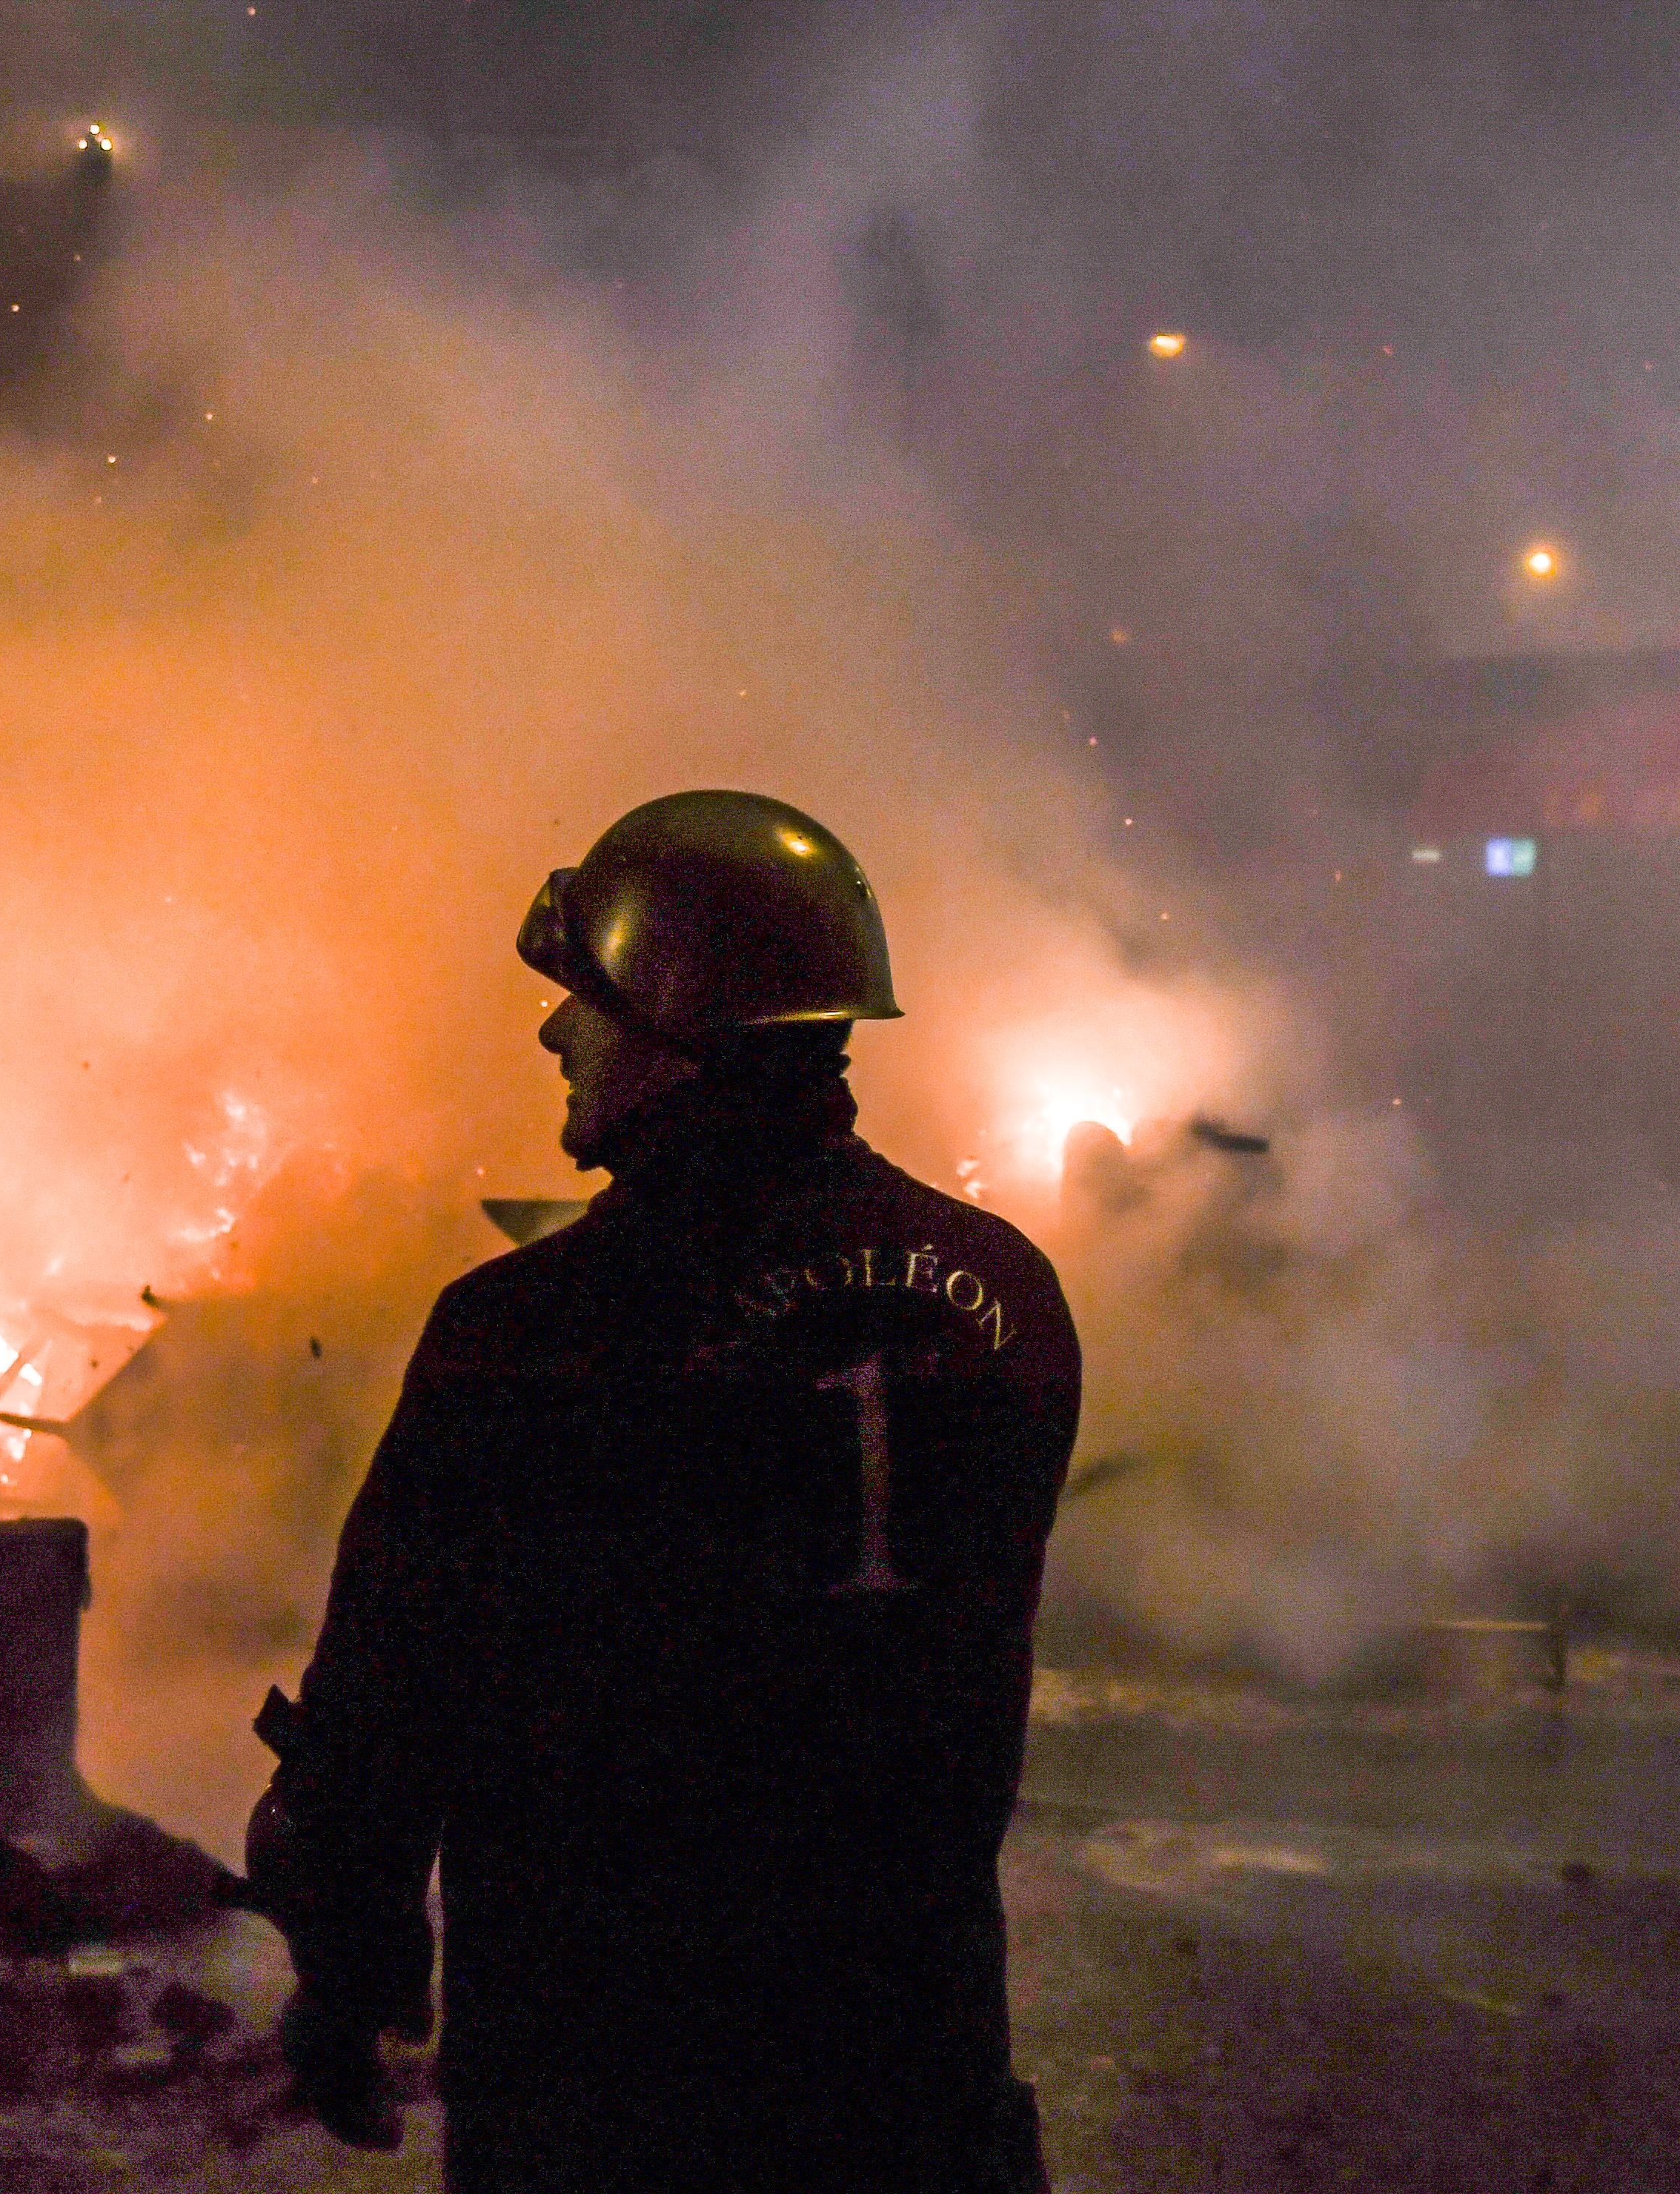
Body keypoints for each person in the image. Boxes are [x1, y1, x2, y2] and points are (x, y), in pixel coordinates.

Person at [245, 789, 1080, 2194]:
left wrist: (348, 1983)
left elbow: (384, 1723)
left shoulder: (530, 1326)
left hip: (611, 2094)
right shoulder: (1006, 1294)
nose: (553, 1033)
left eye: (583, 998)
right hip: (915, 2077)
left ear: (674, 1015)